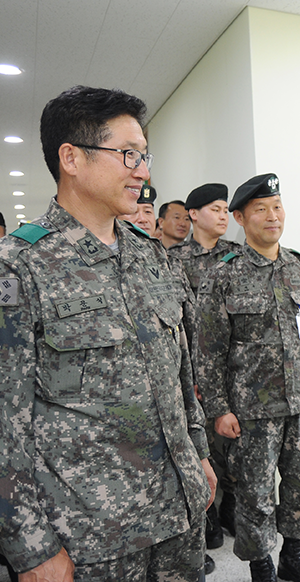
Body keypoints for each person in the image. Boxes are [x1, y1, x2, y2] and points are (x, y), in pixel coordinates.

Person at [0, 85, 216, 582]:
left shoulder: (149, 253)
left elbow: (179, 370)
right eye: (128, 154)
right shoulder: (20, 265)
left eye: (144, 155)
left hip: (179, 516)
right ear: (71, 158)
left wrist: (199, 452)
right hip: (90, 537)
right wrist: (29, 547)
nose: (143, 170)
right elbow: (5, 423)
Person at [193, 173, 300, 582]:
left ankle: (294, 556)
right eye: (261, 209)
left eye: (277, 207)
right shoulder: (224, 274)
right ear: (240, 217)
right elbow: (207, 352)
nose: (272, 216)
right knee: (254, 496)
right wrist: (218, 410)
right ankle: (262, 568)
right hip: (252, 411)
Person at [170, 183, 243, 551]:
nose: (223, 216)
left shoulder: (237, 255)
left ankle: (229, 508)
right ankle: (209, 518)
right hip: (195, 372)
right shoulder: (174, 259)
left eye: (226, 209)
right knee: (204, 447)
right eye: (216, 209)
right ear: (194, 214)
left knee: (235, 445)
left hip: (237, 370)